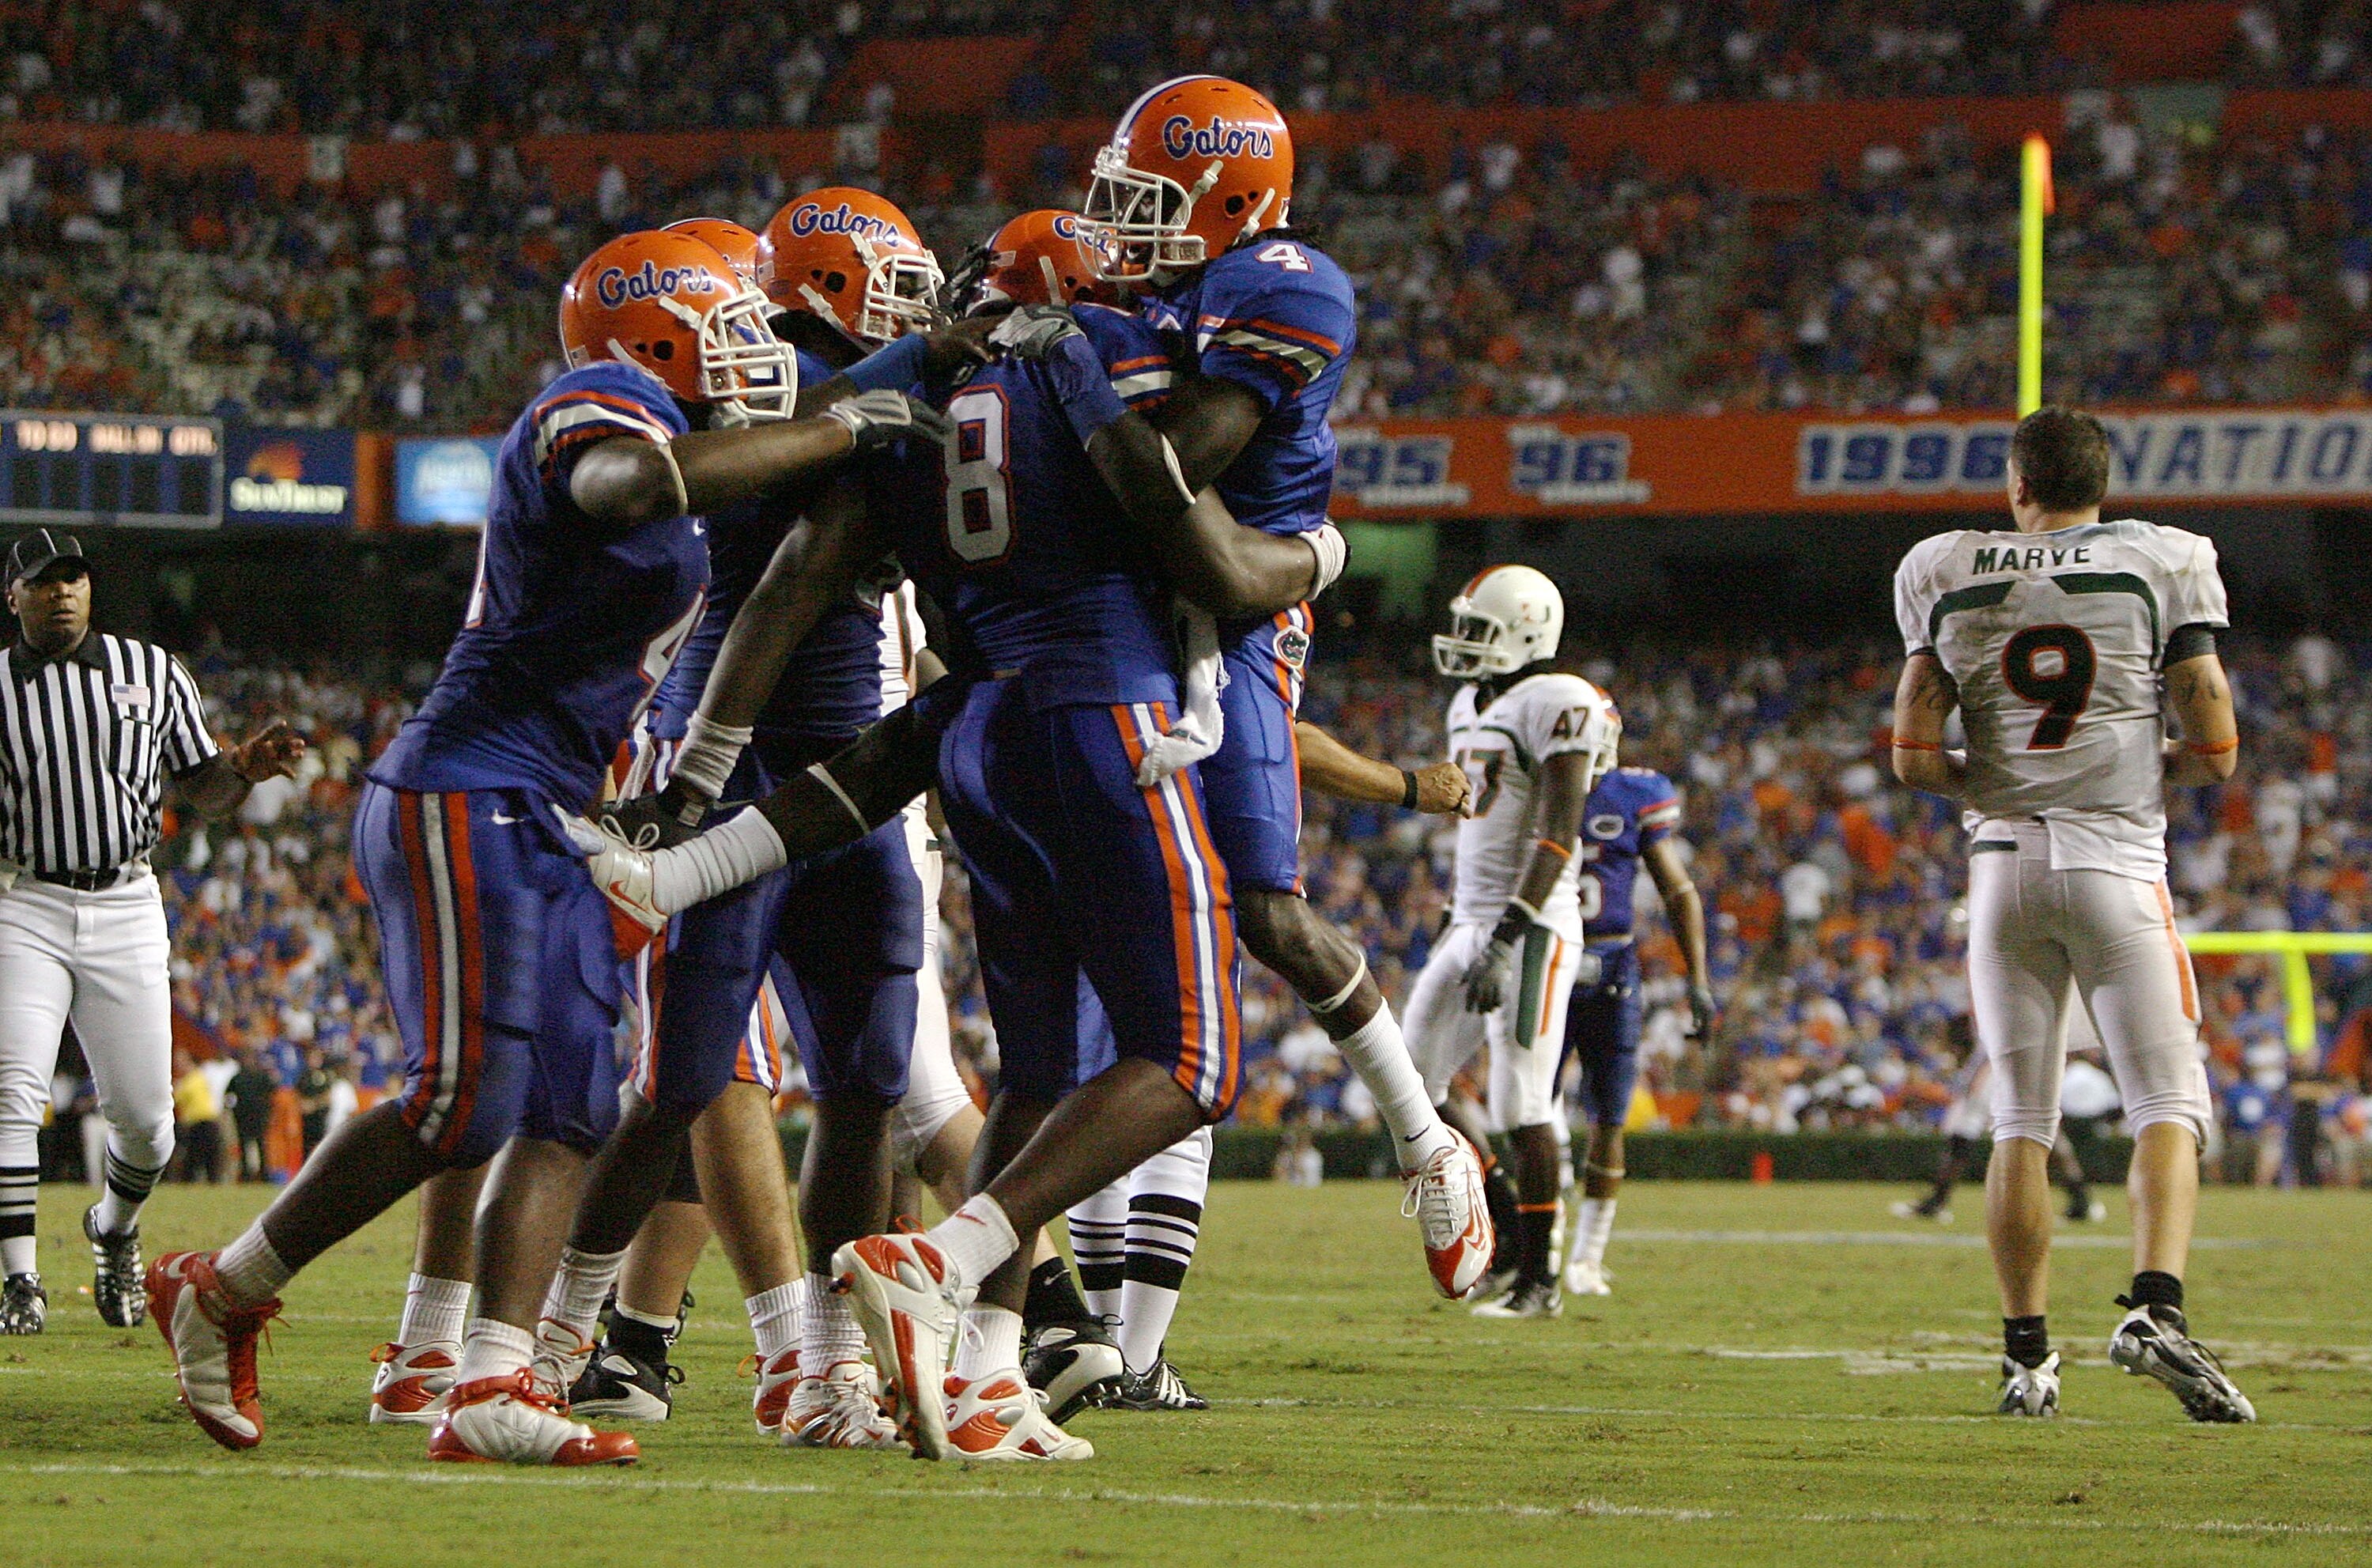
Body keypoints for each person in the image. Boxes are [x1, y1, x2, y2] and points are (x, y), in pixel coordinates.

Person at [144, 227, 938, 1464]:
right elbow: (622, 485)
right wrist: (843, 431)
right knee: (465, 1098)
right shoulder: (599, 398)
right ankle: (226, 1285)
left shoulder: (673, 421)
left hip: (554, 802)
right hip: (469, 781)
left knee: (567, 1102)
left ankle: (495, 1381)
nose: (748, 355)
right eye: (719, 329)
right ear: (654, 336)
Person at [573, 263, 1339, 1460]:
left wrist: (696, 800)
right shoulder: (1090, 358)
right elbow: (1198, 536)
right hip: (1105, 713)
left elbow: (835, 583)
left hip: (976, 722)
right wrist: (1318, 552)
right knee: (1193, 1059)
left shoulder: (923, 412)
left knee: (1027, 1075)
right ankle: (937, 1255)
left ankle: (987, 1377)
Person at [533, 195, 985, 1453]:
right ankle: (558, 1333)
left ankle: (823, 1361)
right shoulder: (762, 391)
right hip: (728, 768)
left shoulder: (819, 381)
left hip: (853, 780)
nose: (910, 304)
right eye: (889, 283)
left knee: (864, 1083)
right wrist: (927, 359)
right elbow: (801, 472)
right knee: (680, 1082)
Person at [1086, 77, 1495, 1301]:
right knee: (1123, 963)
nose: (1120, 223)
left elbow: (1170, 470)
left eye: (1148, 202)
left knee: (1262, 909)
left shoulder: (1286, 283)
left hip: (1242, 605)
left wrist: (1079, 359)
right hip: (1118, 615)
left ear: (1232, 198)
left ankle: (1427, 1138)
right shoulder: (1139, 291)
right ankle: (1092, 1328)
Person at [1890, 404, 2250, 1423]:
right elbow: (2217, 748)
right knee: (2167, 1106)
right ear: (2105, 480)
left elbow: (1915, 758)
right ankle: (2156, 1310)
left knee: (2019, 1123)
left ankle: (2026, 1363)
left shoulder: (1945, 566)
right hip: (2117, 860)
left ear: (2016, 485)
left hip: (2001, 867)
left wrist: (1999, 793)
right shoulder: (2162, 559)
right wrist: (2137, 764)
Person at [0, 528, 305, 1336]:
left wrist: (242, 767)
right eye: (42, 582)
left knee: (148, 1121)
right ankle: (19, 1282)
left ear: (91, 590)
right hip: (24, 899)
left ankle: (114, 1232)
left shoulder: (151, 671)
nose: (61, 592)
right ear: (14, 597)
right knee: (12, 1091)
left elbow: (200, 784)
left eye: (73, 579)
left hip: (127, 900)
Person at [1404, 566, 1622, 1319]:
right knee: (1410, 1081)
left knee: (1523, 1100)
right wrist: (1466, 923)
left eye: (1480, 630)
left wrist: (1506, 935)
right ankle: (1494, 1223)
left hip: (1531, 924)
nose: (1464, 645)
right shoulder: (1470, 701)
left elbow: (1558, 836)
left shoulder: (1562, 700)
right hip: (1472, 920)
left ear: (1526, 631)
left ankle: (1540, 1281)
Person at [1558, 746, 1717, 1298]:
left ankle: (1586, 1257)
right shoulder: (1532, 782)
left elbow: (1678, 888)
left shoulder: (1632, 795)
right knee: (1530, 1110)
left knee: (1611, 1117)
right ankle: (1539, 1246)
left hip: (1612, 967)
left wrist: (1698, 977)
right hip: (1545, 960)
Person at [171, 1050, 225, 1184]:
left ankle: (203, 1183)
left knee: (200, 1158)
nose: (178, 1065)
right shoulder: (193, 1078)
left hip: (202, 1121)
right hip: (197, 1123)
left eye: (181, 1062)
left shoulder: (194, 1078)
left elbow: (177, 1099)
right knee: (197, 1158)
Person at [225, 1047, 277, 1182]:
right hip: (242, 1117)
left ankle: (264, 1174)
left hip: (259, 1117)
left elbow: (272, 1094)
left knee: (261, 1146)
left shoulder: (261, 1076)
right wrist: (233, 1109)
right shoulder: (238, 1078)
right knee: (244, 1146)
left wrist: (269, 1112)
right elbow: (229, 1096)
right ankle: (246, 1174)